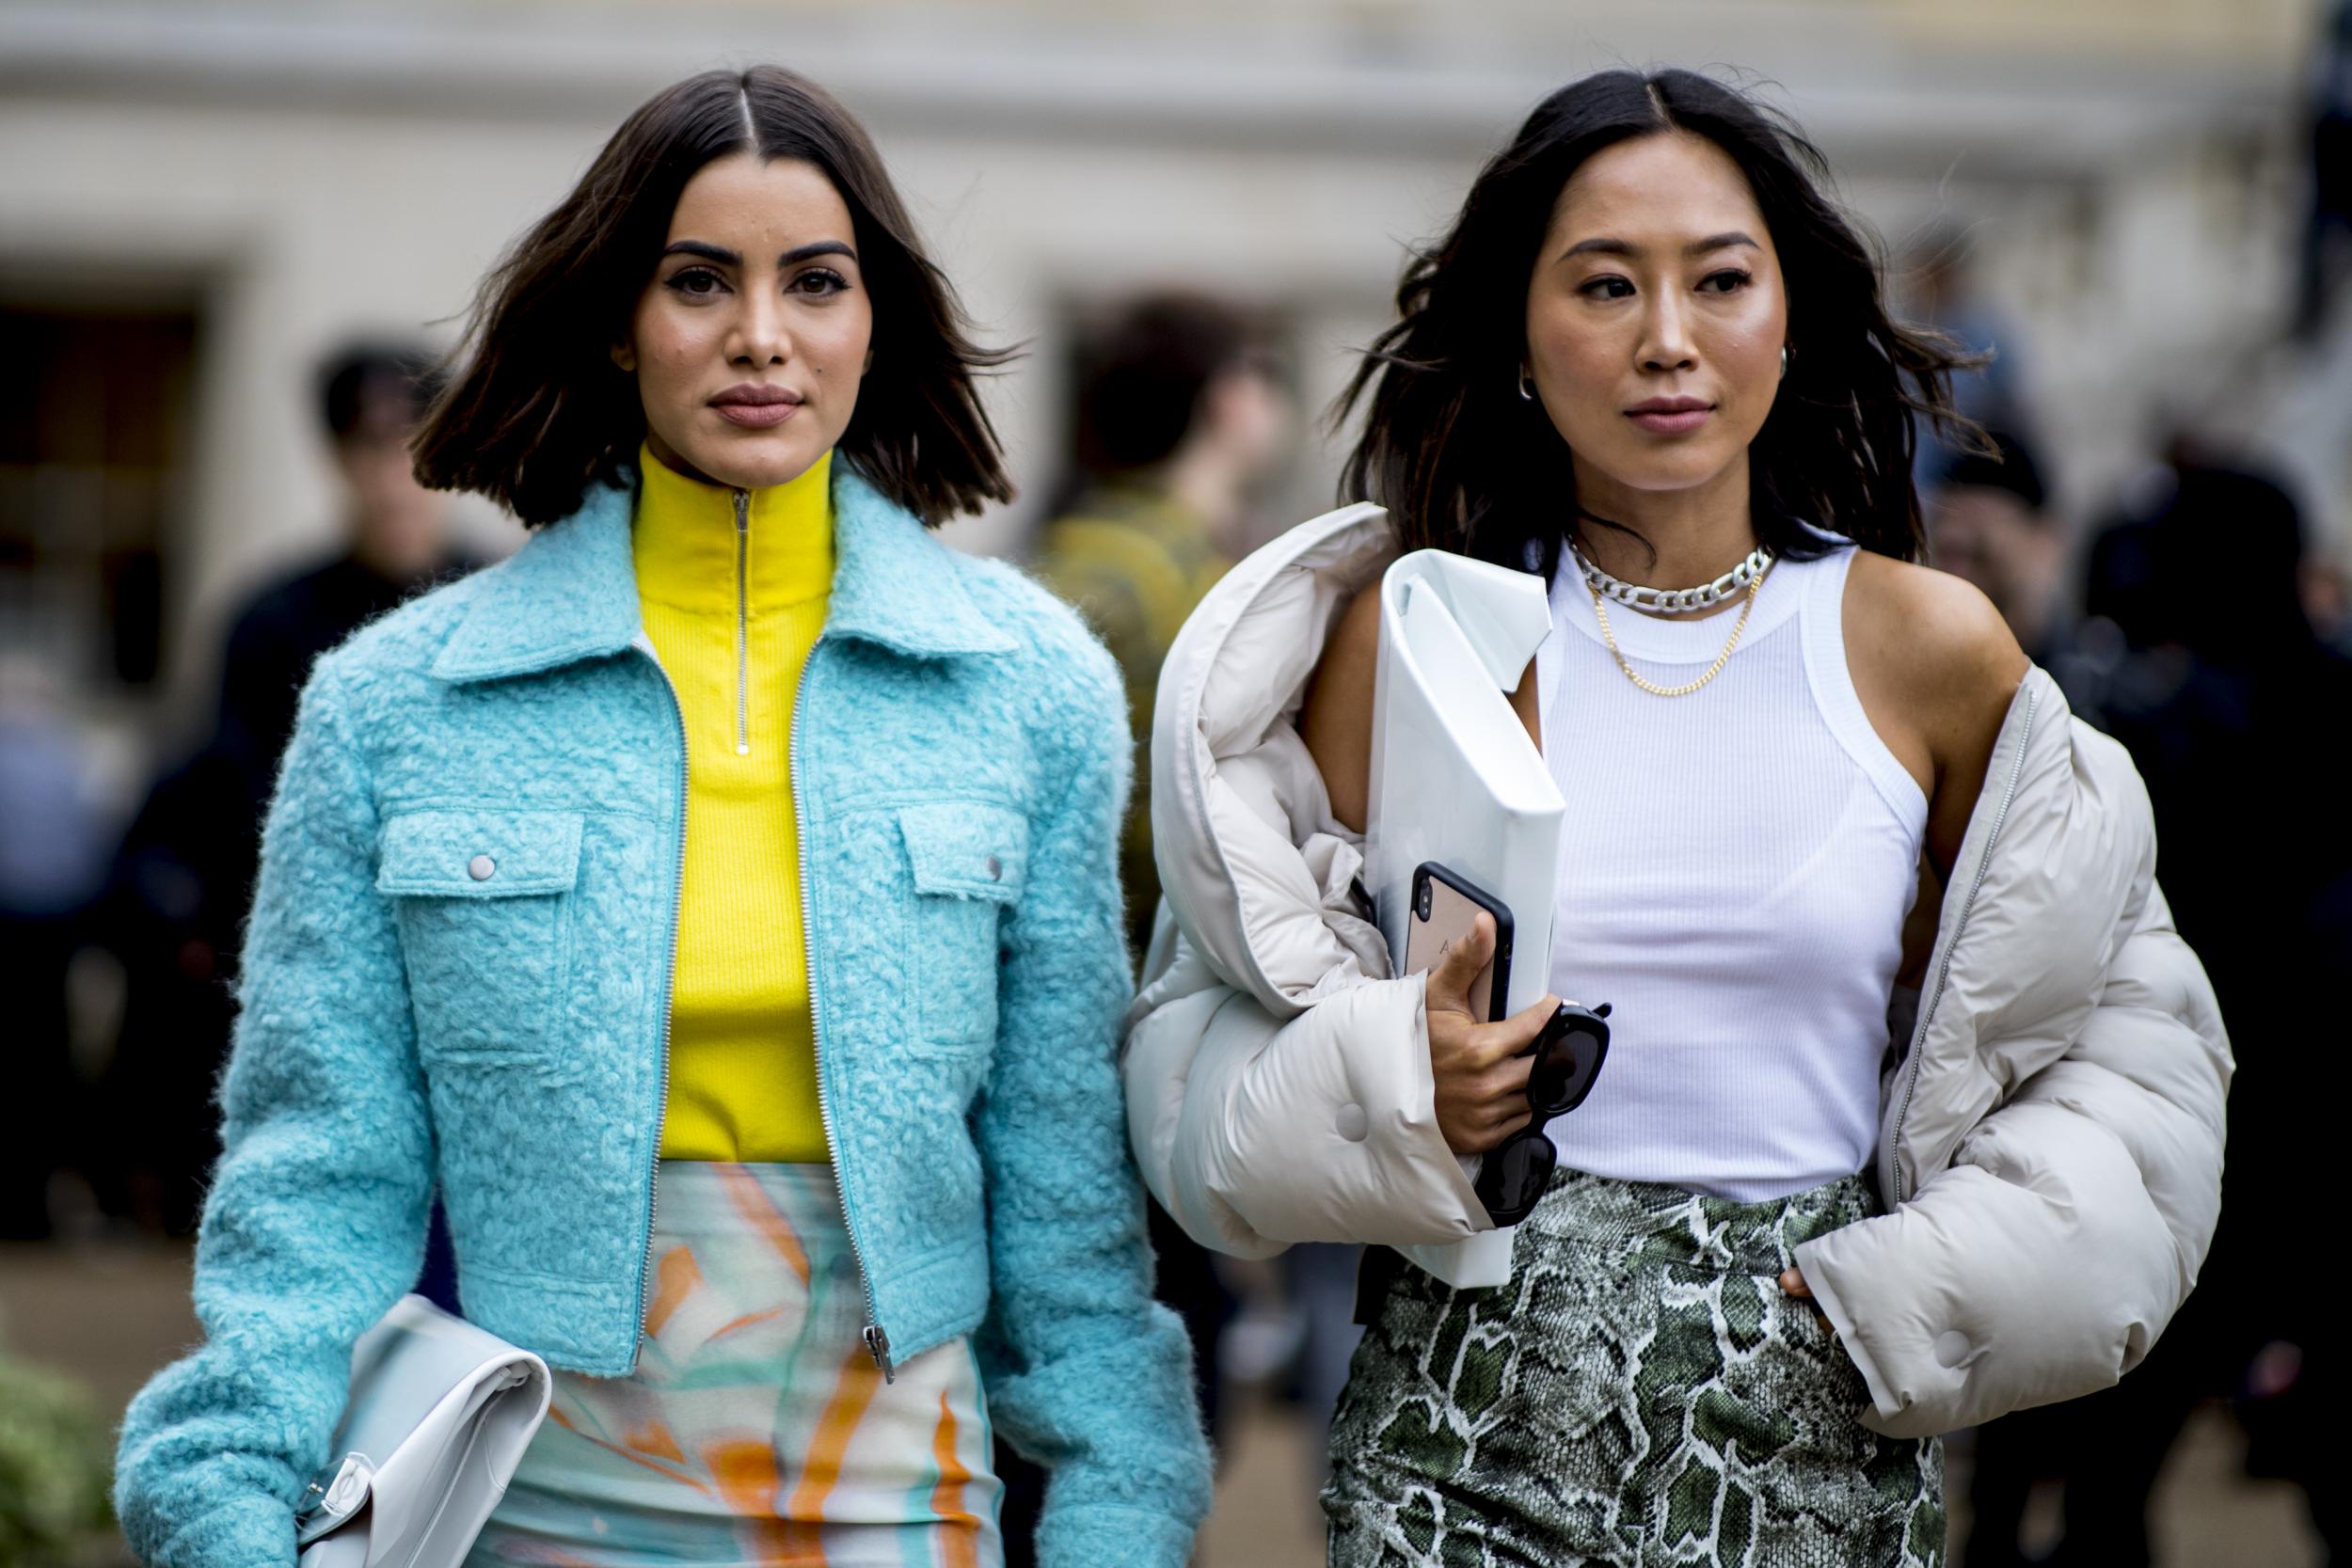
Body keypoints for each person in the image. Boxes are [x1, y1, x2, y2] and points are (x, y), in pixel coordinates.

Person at [1121, 68, 2230, 1567]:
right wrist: (1394, 1073)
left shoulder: (1933, 648)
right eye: (1603, 284)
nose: (1666, 339)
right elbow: (1200, 1039)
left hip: (1816, 1429)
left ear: (1791, 315)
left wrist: (1905, 1297)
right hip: (1459, 1433)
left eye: (1720, 279)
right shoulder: (1411, 639)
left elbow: (2129, 1043)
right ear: (1520, 327)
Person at [113, 66, 1210, 1568]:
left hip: (902, 1505)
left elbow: (1068, 1194)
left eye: (813, 282)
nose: (760, 334)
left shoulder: (1032, 692)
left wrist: (1121, 1502)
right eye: (701, 281)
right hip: (525, 1507)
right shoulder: (393, 707)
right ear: (621, 321)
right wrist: (227, 1494)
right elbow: (317, 1176)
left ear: (871, 319)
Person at [98, 343, 473, 1238]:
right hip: (321, 962)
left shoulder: (497, 600)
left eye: (416, 446)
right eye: (372, 449)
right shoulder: (273, 618)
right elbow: (243, 802)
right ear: (339, 461)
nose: (396, 478)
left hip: (464, 951)